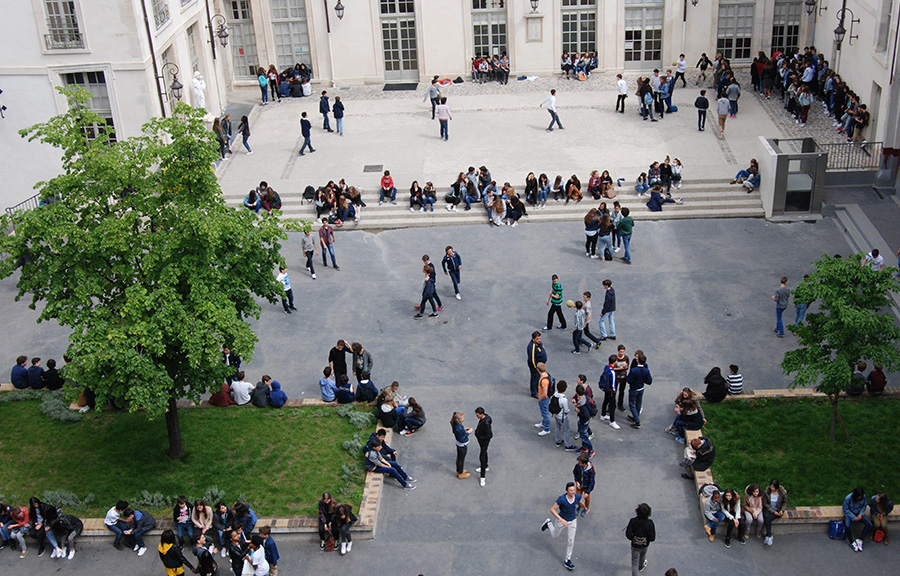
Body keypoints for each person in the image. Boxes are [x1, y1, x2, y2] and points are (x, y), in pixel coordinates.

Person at [540, 482, 587, 571]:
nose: (572, 492)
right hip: (562, 520)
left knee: (571, 541)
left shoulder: (577, 497)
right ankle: (548, 523)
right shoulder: (561, 499)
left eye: (573, 490)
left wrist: (585, 508)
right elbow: (552, 509)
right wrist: (561, 520)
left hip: (572, 520)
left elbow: (580, 502)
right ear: (566, 491)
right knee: (555, 535)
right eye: (570, 490)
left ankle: (567, 560)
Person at [625, 503, 656, 576]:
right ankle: (641, 566)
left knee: (634, 561)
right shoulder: (650, 523)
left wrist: (633, 538)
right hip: (644, 545)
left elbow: (628, 534)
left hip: (635, 545)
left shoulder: (633, 521)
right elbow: (652, 538)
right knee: (643, 555)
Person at [626, 352, 651, 429]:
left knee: (632, 404)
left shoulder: (634, 370)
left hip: (634, 389)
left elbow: (629, 380)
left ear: (638, 361)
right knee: (639, 402)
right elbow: (649, 381)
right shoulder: (646, 370)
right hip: (641, 388)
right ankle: (636, 416)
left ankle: (637, 421)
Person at [843, 487, 872, 551]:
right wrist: (854, 517)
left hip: (858, 512)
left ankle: (860, 540)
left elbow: (864, 505)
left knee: (869, 524)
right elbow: (845, 510)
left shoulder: (863, 497)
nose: (860, 498)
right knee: (847, 526)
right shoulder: (848, 498)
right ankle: (851, 542)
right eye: (859, 496)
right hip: (849, 513)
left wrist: (861, 514)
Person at [762, 479, 787, 546]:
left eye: (773, 487)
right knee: (767, 517)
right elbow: (765, 503)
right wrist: (773, 511)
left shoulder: (782, 493)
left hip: (778, 509)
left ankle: (768, 536)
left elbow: (785, 503)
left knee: (768, 519)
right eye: (771, 486)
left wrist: (782, 510)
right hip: (769, 509)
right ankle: (769, 535)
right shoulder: (767, 492)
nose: (771, 488)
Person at [598, 355, 620, 429]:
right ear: (615, 362)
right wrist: (614, 390)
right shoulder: (612, 372)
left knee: (606, 401)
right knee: (613, 405)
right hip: (610, 390)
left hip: (606, 389)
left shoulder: (606, 368)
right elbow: (613, 384)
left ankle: (603, 415)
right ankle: (612, 421)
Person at [451, 411, 473, 479]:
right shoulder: (458, 428)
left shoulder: (457, 424)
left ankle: (459, 470)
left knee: (459, 458)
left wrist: (464, 430)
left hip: (459, 444)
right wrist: (468, 433)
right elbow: (461, 438)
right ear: (458, 419)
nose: (463, 419)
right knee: (461, 459)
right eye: (462, 418)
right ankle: (461, 473)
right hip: (462, 445)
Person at [535, 362, 552, 436]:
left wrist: (540, 398)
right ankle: (543, 423)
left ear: (538, 369)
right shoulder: (546, 375)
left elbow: (545, 393)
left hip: (544, 399)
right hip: (544, 398)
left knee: (545, 413)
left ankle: (547, 429)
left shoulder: (544, 381)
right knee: (543, 412)